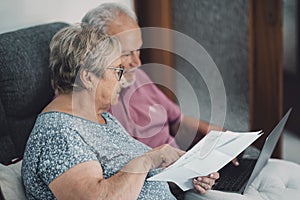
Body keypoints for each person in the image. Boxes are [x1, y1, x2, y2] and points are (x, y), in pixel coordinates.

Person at [21, 23, 219, 199]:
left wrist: (186, 176)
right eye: (117, 71)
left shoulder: (103, 119)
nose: (123, 80)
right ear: (88, 77)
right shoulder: (58, 133)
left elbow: (136, 182)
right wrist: (148, 160)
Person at [82, 2, 239, 165]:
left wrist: (214, 136)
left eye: (138, 50)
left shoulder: (138, 77)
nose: (137, 62)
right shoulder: (86, 103)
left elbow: (176, 121)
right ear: (96, 52)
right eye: (127, 54)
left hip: (183, 167)